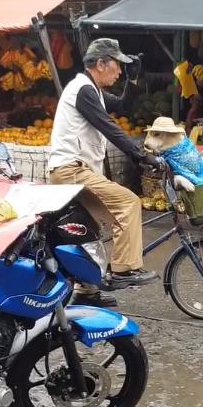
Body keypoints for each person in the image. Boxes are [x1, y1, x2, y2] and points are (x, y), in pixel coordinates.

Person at [48, 38, 160, 306]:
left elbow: (121, 106)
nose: (119, 72)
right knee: (127, 202)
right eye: (117, 66)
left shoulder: (92, 90)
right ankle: (122, 269)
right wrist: (141, 155)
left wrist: (132, 80)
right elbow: (109, 126)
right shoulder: (82, 90)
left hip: (73, 170)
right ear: (100, 63)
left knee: (89, 229)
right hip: (70, 169)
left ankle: (88, 292)